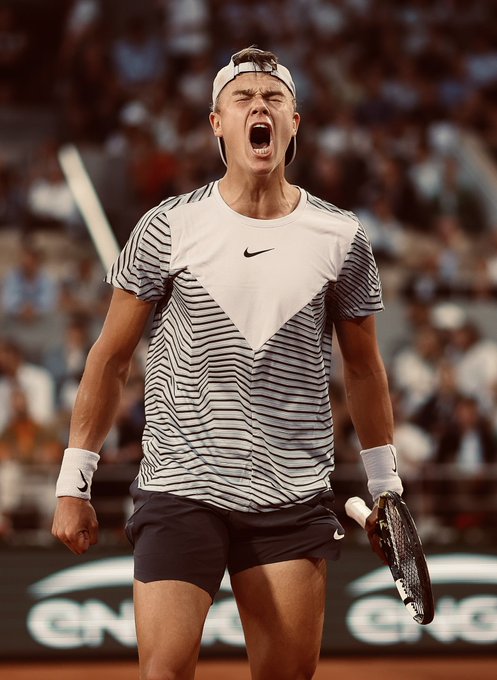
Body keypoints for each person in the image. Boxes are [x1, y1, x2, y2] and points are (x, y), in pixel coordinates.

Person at [52, 47, 404, 680]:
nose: (258, 106)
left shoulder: (342, 237)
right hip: (181, 483)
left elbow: (364, 370)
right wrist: (74, 480)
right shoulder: (168, 226)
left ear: (294, 122)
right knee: (164, 672)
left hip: (291, 493)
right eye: (242, 98)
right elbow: (109, 359)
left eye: (273, 98)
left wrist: (387, 489)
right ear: (218, 123)